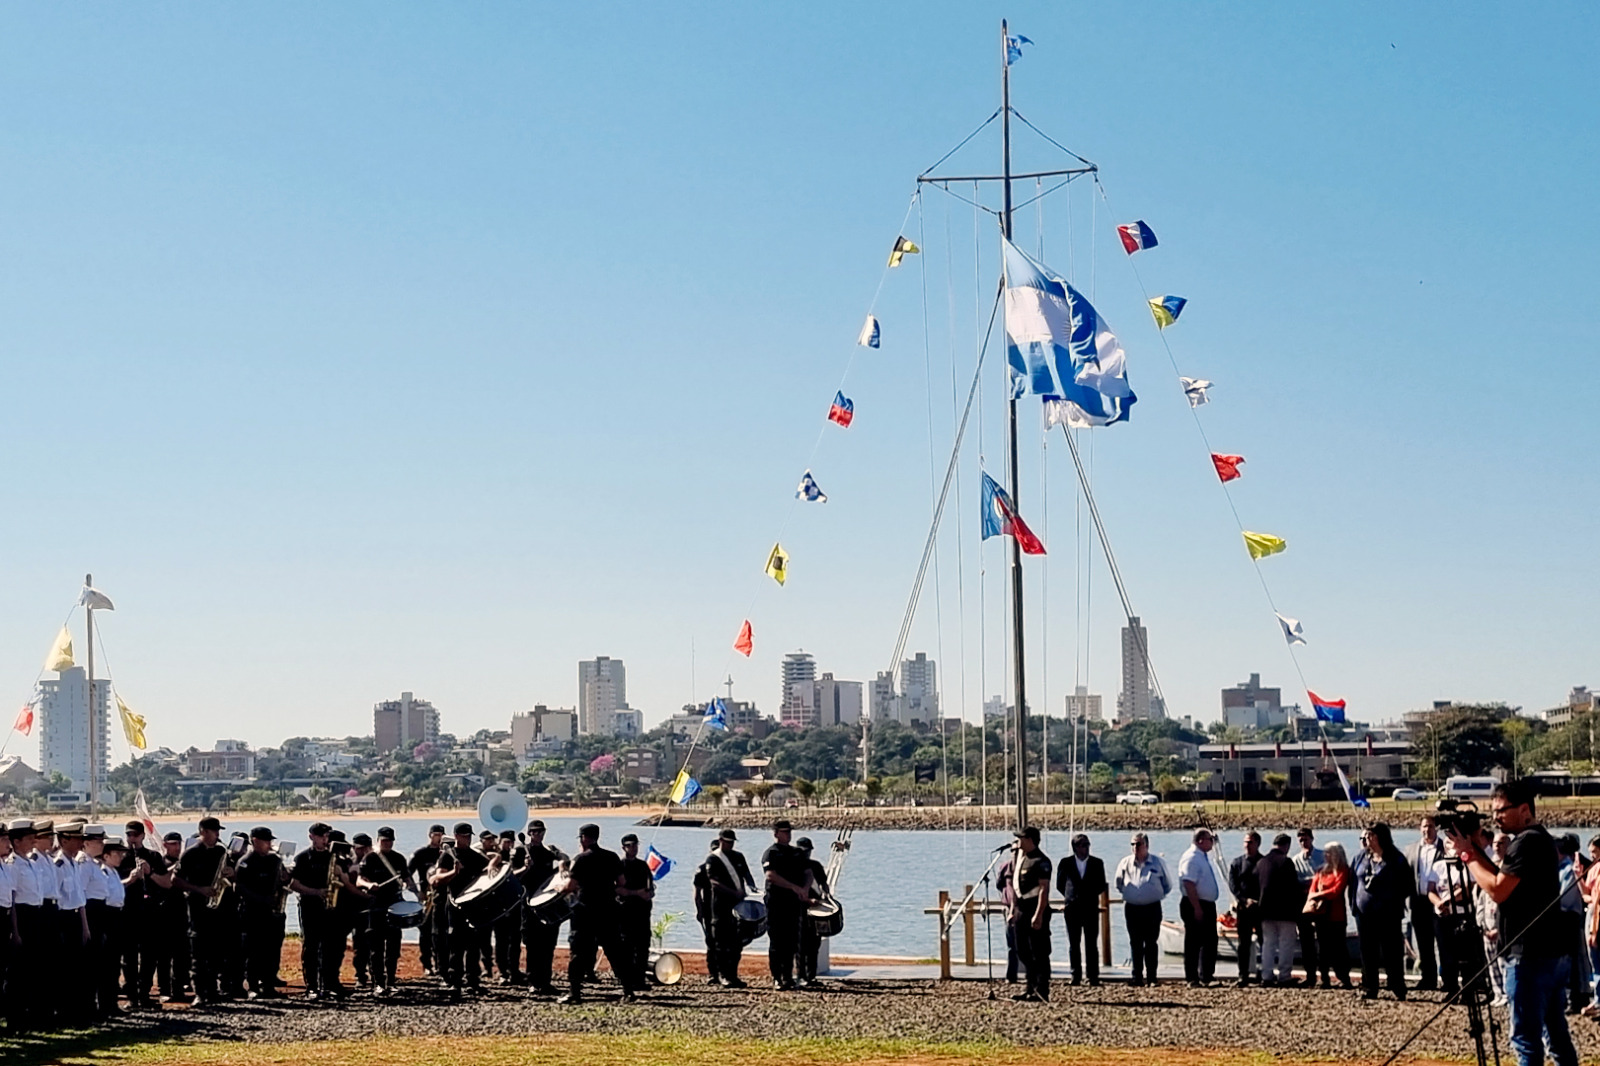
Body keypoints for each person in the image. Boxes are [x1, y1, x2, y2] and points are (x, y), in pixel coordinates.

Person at [1448, 779, 1578, 1066]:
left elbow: (1497, 890)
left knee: (1527, 1042)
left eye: (1501, 811)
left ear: (1524, 810)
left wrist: (1466, 855)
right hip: (1549, 953)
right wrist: (1475, 849)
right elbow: (1503, 877)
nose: (1496, 817)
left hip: (1528, 955)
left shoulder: (1526, 842)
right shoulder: (1539, 839)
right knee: (1556, 1035)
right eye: (1492, 811)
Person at [559, 823, 627, 1004]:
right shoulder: (612, 857)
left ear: (583, 838)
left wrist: (560, 887)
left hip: (585, 912)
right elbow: (622, 882)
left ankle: (575, 993)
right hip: (608, 910)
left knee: (578, 952)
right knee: (615, 951)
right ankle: (628, 990)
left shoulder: (580, 859)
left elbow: (571, 886)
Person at [170, 817, 232, 1006]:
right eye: (214, 831)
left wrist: (231, 873)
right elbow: (175, 880)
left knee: (216, 952)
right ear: (203, 832)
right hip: (197, 908)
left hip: (218, 909)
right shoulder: (190, 854)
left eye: (218, 831)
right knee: (199, 952)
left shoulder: (221, 851)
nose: (217, 835)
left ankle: (213, 991)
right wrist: (199, 889)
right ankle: (200, 992)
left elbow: (229, 873)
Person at [1352, 822, 1411, 1001]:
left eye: (1372, 836)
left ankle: (1397, 985)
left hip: (1388, 913)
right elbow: (1353, 881)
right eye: (1367, 836)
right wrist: (1354, 905)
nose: (1368, 840)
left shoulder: (1396, 858)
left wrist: (1390, 896)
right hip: (1364, 914)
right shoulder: (1361, 857)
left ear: (1381, 837)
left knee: (1392, 951)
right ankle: (1370, 986)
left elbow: (1406, 884)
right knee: (1367, 951)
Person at [115, 820, 171, 1009]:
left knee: (149, 956)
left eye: (135, 835)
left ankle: (144, 992)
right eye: (129, 835)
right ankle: (131, 995)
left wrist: (150, 872)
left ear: (142, 836)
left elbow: (167, 883)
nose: (132, 839)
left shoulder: (153, 856)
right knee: (129, 957)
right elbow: (114, 885)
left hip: (150, 912)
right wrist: (131, 879)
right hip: (128, 912)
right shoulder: (120, 857)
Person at [430, 822, 489, 997]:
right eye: (464, 836)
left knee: (474, 945)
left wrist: (495, 862)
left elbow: (488, 869)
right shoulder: (448, 855)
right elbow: (436, 879)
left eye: (469, 836)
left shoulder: (474, 855)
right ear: (456, 836)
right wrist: (453, 873)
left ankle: (473, 981)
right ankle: (455, 981)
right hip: (455, 904)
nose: (468, 839)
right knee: (456, 944)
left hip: (473, 904)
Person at [357, 826, 415, 997]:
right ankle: (378, 983)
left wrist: (411, 886)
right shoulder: (370, 858)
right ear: (378, 841)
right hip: (376, 907)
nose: (387, 843)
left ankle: (391, 981)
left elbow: (406, 877)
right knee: (376, 947)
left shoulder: (399, 858)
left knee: (393, 946)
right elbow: (360, 879)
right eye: (384, 841)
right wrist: (369, 885)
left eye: (389, 841)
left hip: (395, 906)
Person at [514, 818, 568, 996]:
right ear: (529, 834)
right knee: (532, 945)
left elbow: (564, 857)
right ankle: (533, 982)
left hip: (547, 902)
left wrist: (561, 863)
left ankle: (545, 981)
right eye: (534, 832)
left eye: (540, 831)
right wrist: (524, 868)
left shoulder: (549, 851)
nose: (537, 835)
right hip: (528, 903)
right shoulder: (521, 851)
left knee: (548, 944)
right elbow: (512, 877)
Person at [287, 822, 341, 1001]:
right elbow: (293, 884)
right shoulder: (303, 857)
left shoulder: (332, 856)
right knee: (311, 947)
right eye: (321, 836)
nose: (325, 840)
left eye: (326, 836)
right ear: (312, 837)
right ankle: (312, 986)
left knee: (329, 947)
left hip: (329, 908)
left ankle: (328, 985)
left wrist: (340, 874)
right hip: (310, 906)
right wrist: (316, 892)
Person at [233, 827, 287, 1000]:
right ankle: (253, 986)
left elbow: (281, 880)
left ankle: (268, 984)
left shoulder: (274, 860)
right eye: (266, 841)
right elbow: (240, 887)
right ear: (255, 841)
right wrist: (261, 899)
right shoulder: (245, 861)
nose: (269, 844)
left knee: (270, 950)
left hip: (271, 911)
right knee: (253, 950)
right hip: (252, 911)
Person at [701, 829, 757, 988]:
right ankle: (722, 975)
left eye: (732, 842)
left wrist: (752, 886)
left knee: (736, 944)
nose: (730, 844)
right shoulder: (713, 859)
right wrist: (734, 892)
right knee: (721, 944)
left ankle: (733, 974)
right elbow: (714, 882)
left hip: (738, 907)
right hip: (720, 908)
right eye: (727, 841)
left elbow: (746, 873)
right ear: (720, 840)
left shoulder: (738, 856)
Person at [1114, 831, 1171, 987]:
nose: (1135, 847)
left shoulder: (1158, 863)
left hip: (1152, 908)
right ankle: (1137, 977)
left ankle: (1152, 977)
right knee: (1135, 943)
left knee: (1151, 943)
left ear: (1146, 845)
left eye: (1138, 844)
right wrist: (1133, 894)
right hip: (1132, 909)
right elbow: (1118, 884)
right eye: (1132, 844)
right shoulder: (1125, 863)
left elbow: (1168, 885)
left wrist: (1151, 894)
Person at [763, 819, 810, 991]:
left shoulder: (796, 853)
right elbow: (771, 875)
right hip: (776, 902)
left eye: (789, 831)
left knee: (791, 941)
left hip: (793, 902)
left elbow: (808, 872)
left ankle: (788, 976)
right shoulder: (771, 853)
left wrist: (805, 888)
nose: (788, 835)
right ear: (776, 833)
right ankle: (777, 977)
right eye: (784, 832)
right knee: (777, 941)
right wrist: (793, 886)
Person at [1008, 826, 1052, 1003]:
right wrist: (1012, 910)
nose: (1018, 841)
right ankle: (1029, 987)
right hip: (1021, 909)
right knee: (1023, 951)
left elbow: (1044, 889)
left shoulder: (1041, 860)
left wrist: (1039, 914)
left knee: (1039, 952)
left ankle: (1041, 990)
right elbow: (1016, 887)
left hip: (1035, 908)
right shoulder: (1021, 858)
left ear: (1030, 840)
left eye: (1021, 838)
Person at [1055, 833, 1106, 987]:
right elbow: (1060, 884)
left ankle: (1093, 976)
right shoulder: (1066, 863)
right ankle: (1075, 975)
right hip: (1072, 908)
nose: (1085, 848)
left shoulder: (1097, 863)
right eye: (1082, 845)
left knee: (1091, 944)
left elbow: (1101, 884)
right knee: (1074, 944)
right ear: (1075, 847)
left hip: (1090, 908)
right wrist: (1071, 897)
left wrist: (1088, 895)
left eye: (1087, 844)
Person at [1405, 816, 1446, 993]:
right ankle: (1428, 979)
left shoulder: (1445, 848)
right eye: (1423, 827)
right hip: (1418, 901)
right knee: (1423, 943)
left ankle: (1447, 980)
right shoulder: (1412, 849)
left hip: (1440, 901)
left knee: (1443, 943)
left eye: (1429, 826)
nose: (1426, 830)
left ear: (1436, 828)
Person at [1305, 841, 1352, 988]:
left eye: (1329, 853)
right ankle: (1324, 978)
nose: (1326, 855)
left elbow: (1337, 891)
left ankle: (1344, 977)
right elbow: (1312, 890)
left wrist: (1320, 894)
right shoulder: (1320, 871)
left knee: (1339, 948)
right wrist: (1317, 896)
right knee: (1323, 948)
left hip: (1336, 915)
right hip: (1321, 915)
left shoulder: (1343, 870)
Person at [1256, 833, 1301, 987]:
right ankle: (1284, 976)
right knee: (1285, 945)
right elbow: (1293, 887)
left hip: (1266, 911)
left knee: (1268, 944)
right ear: (1286, 846)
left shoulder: (1262, 862)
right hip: (1285, 911)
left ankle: (1266, 975)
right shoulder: (1286, 862)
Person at [1178, 828, 1220, 987]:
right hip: (1195, 903)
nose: (1212, 842)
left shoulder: (1201, 857)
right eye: (1210, 839)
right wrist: (1197, 908)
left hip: (1206, 903)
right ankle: (1192, 977)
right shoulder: (1192, 858)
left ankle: (1206, 975)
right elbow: (1188, 883)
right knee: (1194, 942)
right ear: (1201, 840)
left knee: (1209, 941)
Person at [153, 832, 191, 1002]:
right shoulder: (161, 862)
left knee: (181, 954)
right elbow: (165, 881)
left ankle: (178, 987)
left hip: (182, 912)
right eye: (173, 844)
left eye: (179, 844)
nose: (177, 847)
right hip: (163, 914)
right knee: (164, 955)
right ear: (165, 845)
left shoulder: (184, 863)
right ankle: (164, 989)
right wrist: (175, 867)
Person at [1556, 834, 1591, 1014]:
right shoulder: (1558, 868)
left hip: (1567, 918)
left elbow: (1565, 897)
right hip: (1560, 918)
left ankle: (1574, 998)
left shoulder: (1569, 869)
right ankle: (1566, 997)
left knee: (1571, 961)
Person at [617, 833, 655, 995]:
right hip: (626, 911)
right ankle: (627, 978)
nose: (633, 848)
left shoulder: (643, 865)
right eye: (630, 845)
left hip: (643, 911)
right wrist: (636, 893)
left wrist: (649, 894)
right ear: (624, 847)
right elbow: (617, 889)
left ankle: (640, 978)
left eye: (635, 845)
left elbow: (650, 885)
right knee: (627, 947)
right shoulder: (619, 865)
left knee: (643, 946)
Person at [96, 835, 129, 1019]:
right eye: (117, 853)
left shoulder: (113, 872)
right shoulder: (103, 872)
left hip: (117, 916)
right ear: (106, 855)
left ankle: (111, 1002)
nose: (120, 857)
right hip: (108, 916)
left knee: (114, 963)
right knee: (106, 964)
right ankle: (104, 1003)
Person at [408, 825, 446, 976]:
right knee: (425, 932)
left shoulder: (446, 854)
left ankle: (440, 964)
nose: (438, 837)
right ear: (430, 835)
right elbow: (407, 874)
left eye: (441, 834)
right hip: (427, 899)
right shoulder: (421, 854)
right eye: (436, 834)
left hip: (444, 898)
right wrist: (417, 892)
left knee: (442, 933)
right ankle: (427, 964)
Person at [1228, 831, 1264, 987]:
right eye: (1245, 842)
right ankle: (1243, 975)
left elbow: (1267, 884)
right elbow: (1233, 885)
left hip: (1261, 908)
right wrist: (1244, 900)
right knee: (1244, 944)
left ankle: (1263, 973)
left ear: (1257, 844)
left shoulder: (1264, 862)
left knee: (1264, 942)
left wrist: (1259, 901)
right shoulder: (1237, 863)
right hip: (1243, 908)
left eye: (1250, 842)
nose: (1247, 845)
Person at [1291, 827, 1324, 989]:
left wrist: (1313, 884)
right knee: (1306, 942)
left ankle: (1325, 975)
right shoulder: (1295, 860)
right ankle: (1310, 975)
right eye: (1301, 840)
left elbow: (1325, 877)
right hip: (1303, 905)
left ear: (1312, 839)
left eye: (1306, 839)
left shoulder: (1322, 856)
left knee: (1324, 940)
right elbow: (1294, 881)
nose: (1304, 842)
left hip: (1321, 902)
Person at [795, 837, 830, 988]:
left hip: (816, 908)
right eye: (804, 851)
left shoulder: (815, 865)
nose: (806, 854)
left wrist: (826, 896)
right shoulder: (793, 867)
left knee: (814, 943)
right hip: (800, 907)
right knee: (801, 944)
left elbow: (823, 883)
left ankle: (811, 975)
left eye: (808, 851)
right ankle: (801, 975)